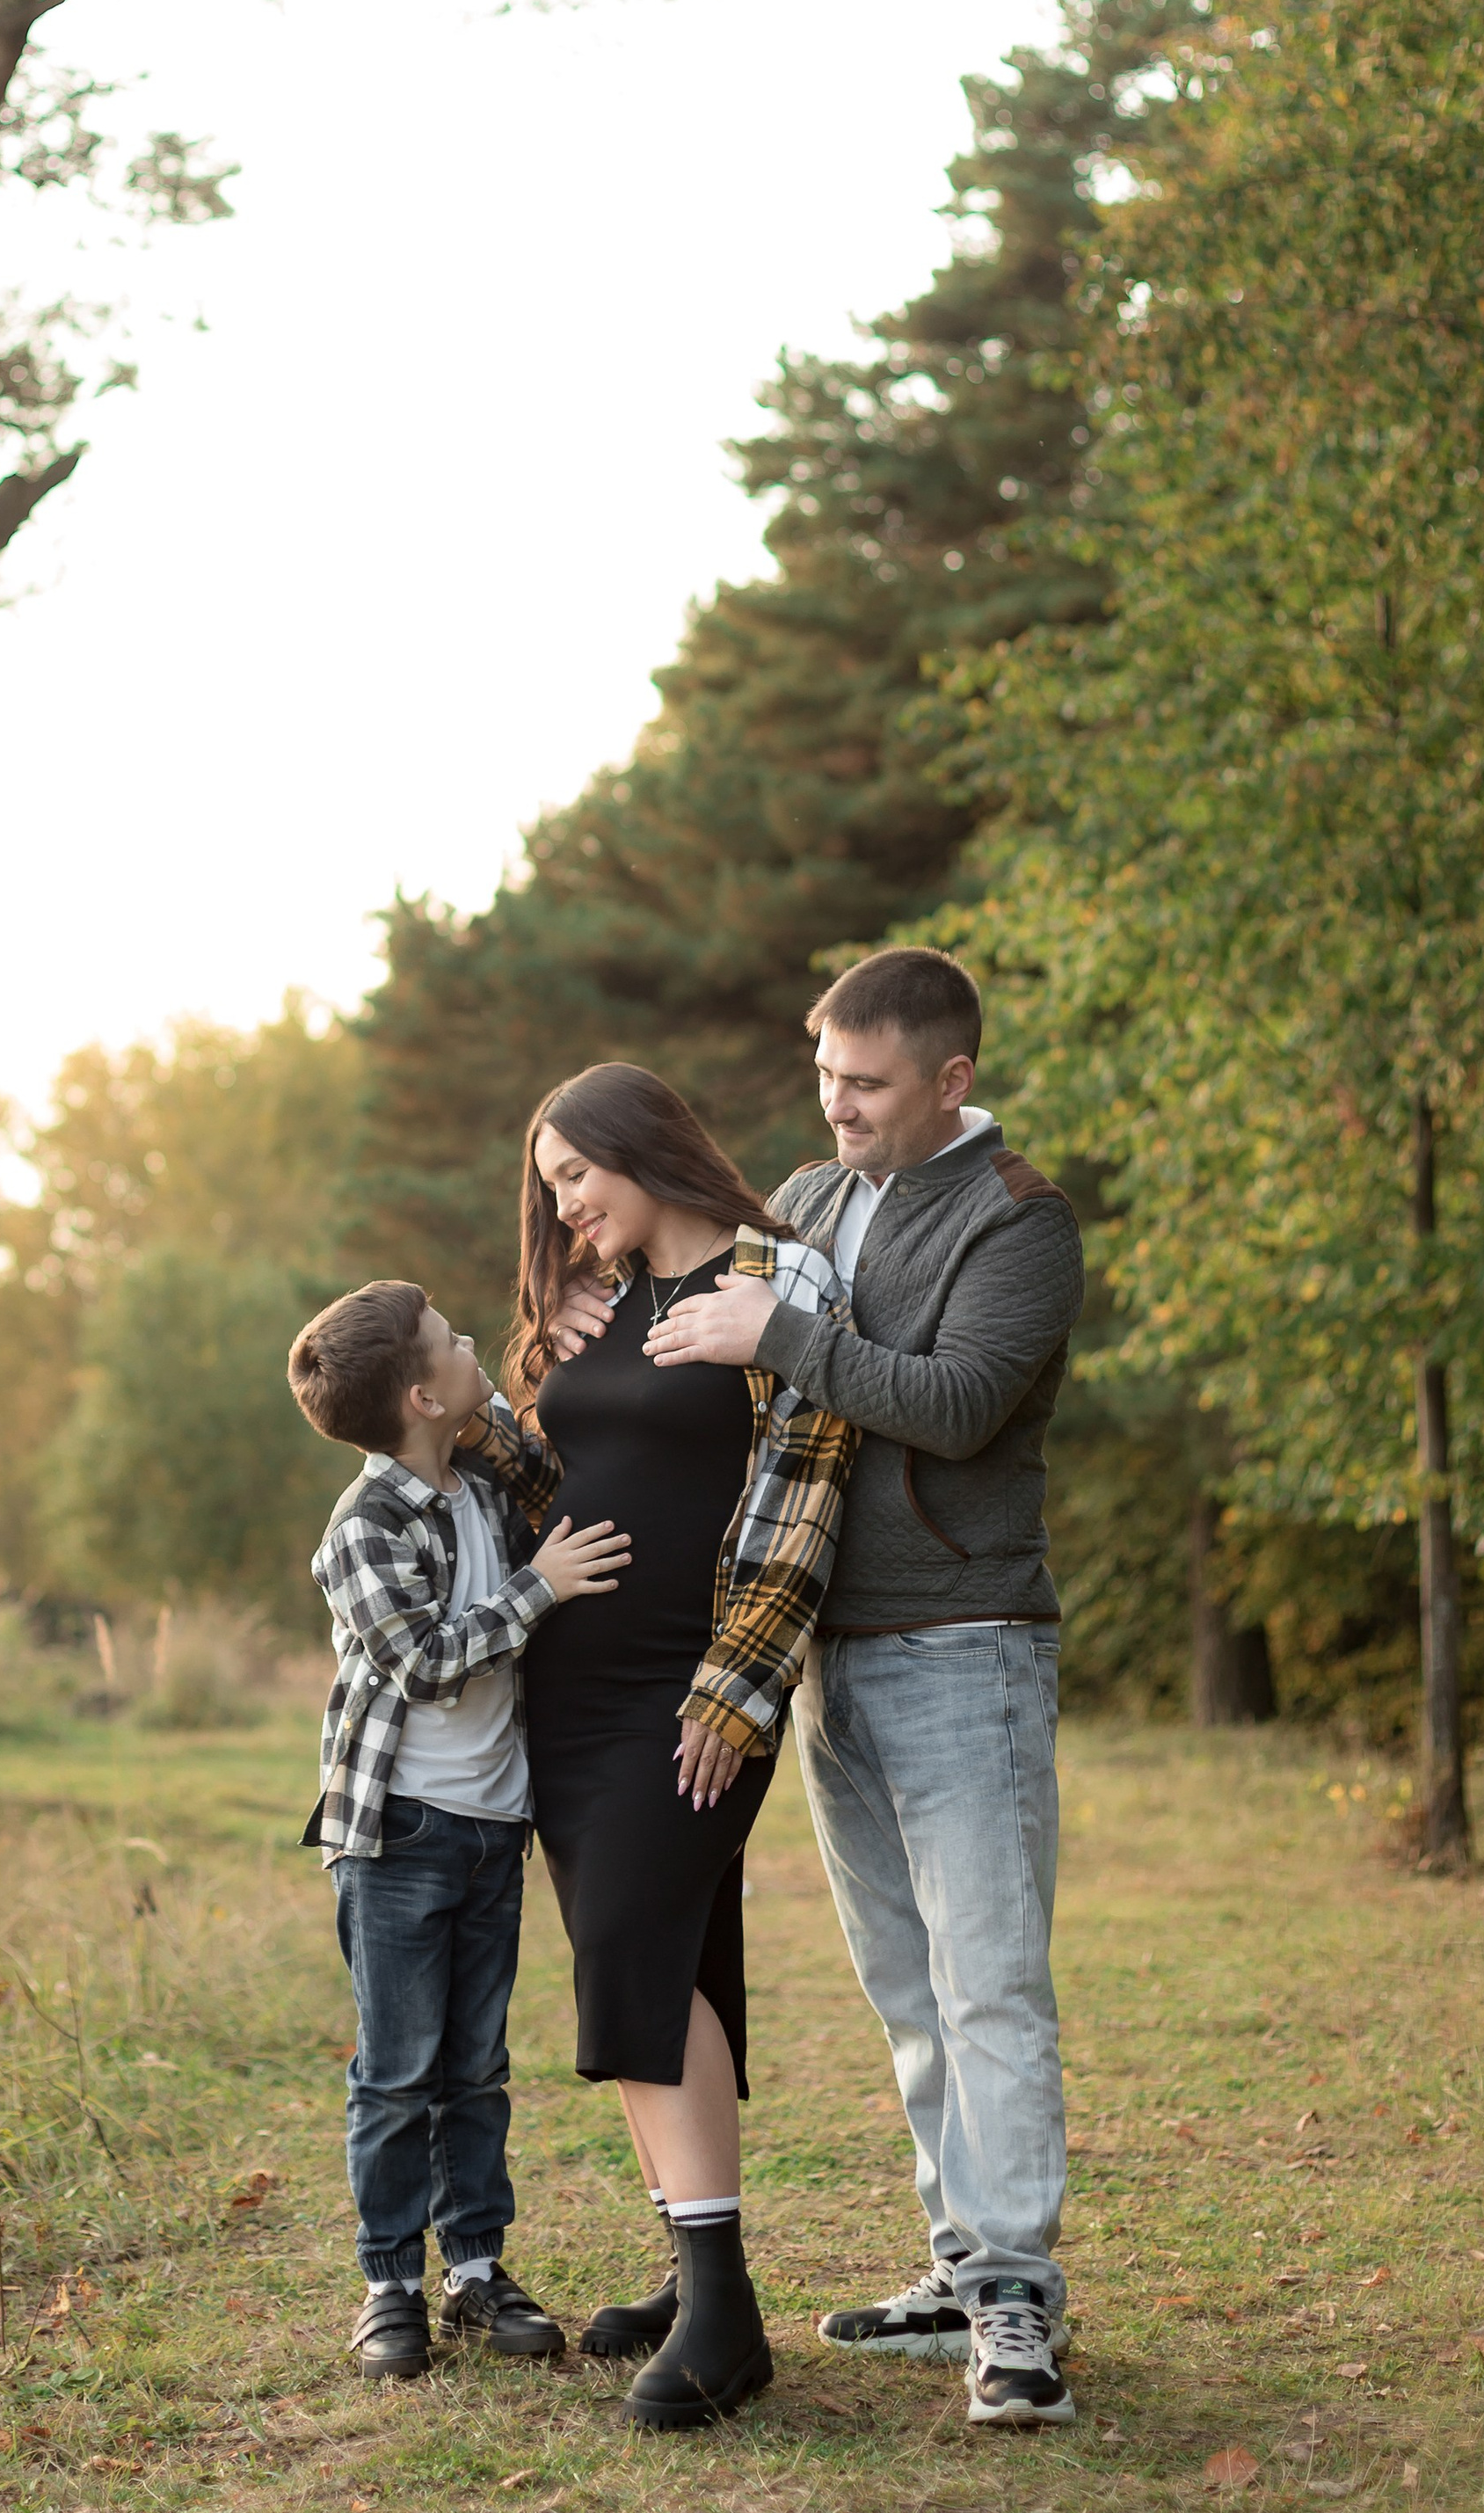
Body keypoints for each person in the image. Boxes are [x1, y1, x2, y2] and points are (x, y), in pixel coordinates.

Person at [635, 945, 1088, 2428]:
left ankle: (1018, 2300)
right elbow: (746, 1368)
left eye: (866, 1084)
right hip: (827, 1651)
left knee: (990, 1985)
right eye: (825, 1075)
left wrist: (788, 1338)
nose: (833, 1109)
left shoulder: (1021, 1223)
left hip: (968, 1644)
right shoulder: (814, 1198)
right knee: (907, 1989)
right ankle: (959, 2269)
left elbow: (957, 1409)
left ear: (950, 1081)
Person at [462, 1064, 855, 2429]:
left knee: (632, 1947)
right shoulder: (599, 1305)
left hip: (690, 1686)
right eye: (550, 1184)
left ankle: (726, 2314)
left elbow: (805, 1494)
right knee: (661, 1957)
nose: (563, 1206)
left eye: (579, 1173)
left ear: (644, 1148)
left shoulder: (778, 1280)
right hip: (566, 1693)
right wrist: (526, 1372)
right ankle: (696, 2278)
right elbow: (536, 1481)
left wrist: (735, 1689)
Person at [290, 1276, 630, 2381]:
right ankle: (389, 2284)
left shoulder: (484, 1480)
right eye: (448, 1342)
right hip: (397, 1835)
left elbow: (557, 1453)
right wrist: (541, 1589)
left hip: (493, 1825)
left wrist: (575, 1327)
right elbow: (430, 1664)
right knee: (399, 2071)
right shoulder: (362, 1528)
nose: (468, 1340)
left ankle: (475, 2270)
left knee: (476, 2066)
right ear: (419, 1398)